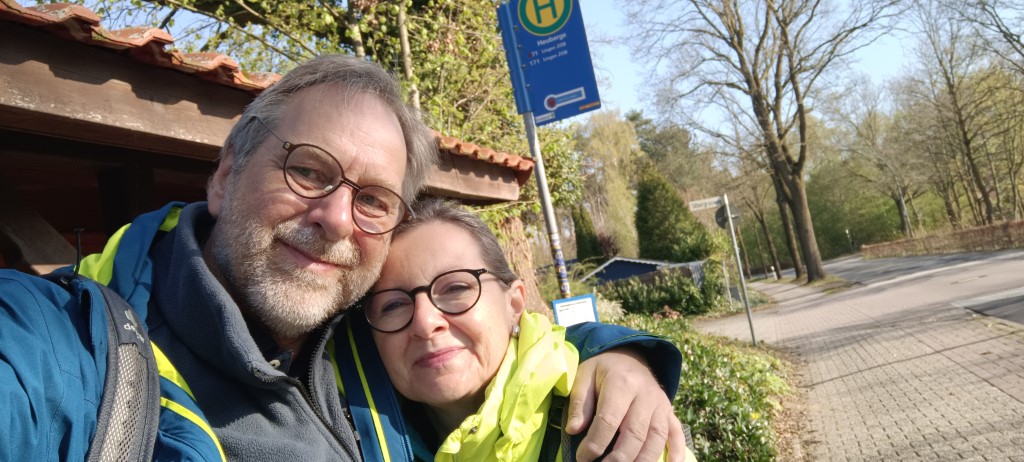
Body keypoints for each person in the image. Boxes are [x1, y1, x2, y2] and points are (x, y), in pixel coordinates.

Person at [0, 54, 685, 461]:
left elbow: (516, 357)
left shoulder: (371, 333)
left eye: (374, 201)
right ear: (226, 173)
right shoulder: (76, 352)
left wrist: (621, 355)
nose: (333, 219)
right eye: (307, 170)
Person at [360, 198, 697, 461]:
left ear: (515, 304)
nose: (425, 322)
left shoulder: (615, 426)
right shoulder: (351, 438)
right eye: (393, 305)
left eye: (456, 288)